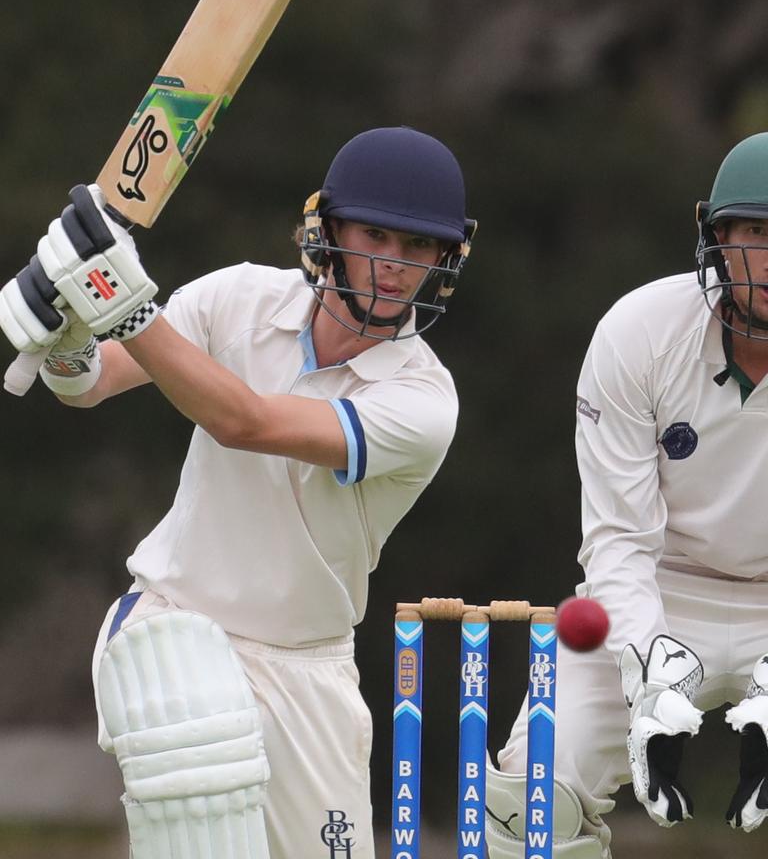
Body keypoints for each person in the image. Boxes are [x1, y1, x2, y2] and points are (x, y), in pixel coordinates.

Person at [0, 126, 476, 859]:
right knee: (199, 761)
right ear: (330, 228)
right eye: (375, 234)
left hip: (308, 670)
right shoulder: (240, 298)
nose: (393, 265)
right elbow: (95, 380)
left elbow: (243, 421)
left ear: (445, 259)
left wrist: (118, 302)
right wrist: (66, 337)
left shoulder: (423, 401)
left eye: (418, 249)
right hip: (175, 623)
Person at [485, 131, 768, 858]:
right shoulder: (641, 332)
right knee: (528, 806)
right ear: (716, 238)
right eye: (759, 234)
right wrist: (649, 670)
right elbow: (618, 537)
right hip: (661, 587)